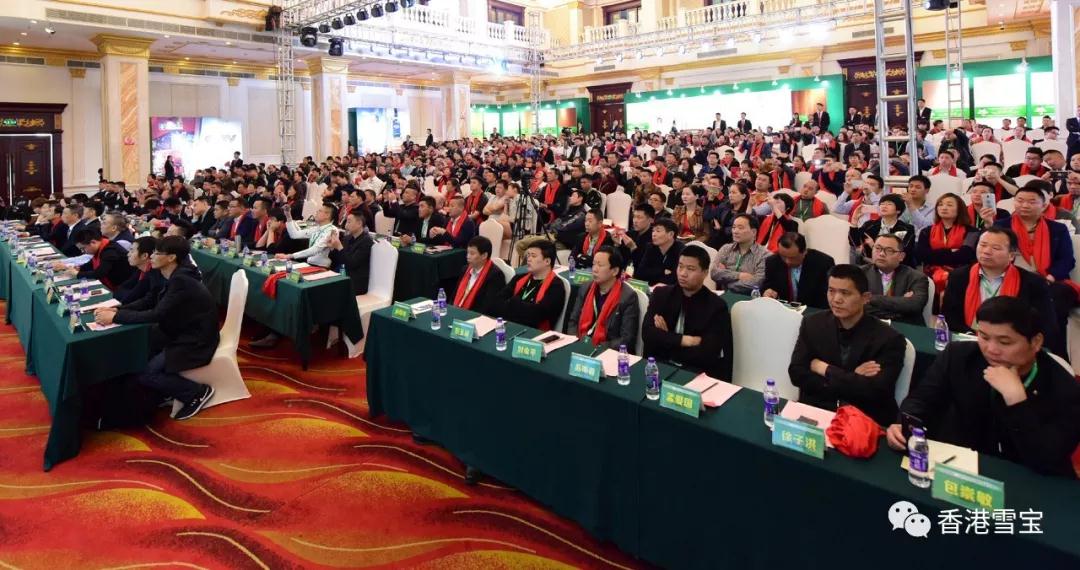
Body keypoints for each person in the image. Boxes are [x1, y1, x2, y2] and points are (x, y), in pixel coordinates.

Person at [886, 296, 1080, 477]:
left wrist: (1017, 401)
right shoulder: (959, 356)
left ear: (1036, 342)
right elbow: (921, 399)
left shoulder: (1064, 388)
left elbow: (1047, 458)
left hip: (1026, 477)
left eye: (1004, 342)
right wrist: (904, 424)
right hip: (962, 463)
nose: (991, 350)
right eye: (984, 337)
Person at [93, 236, 217, 421]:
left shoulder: (182, 280)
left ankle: (196, 392)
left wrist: (116, 317)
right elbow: (150, 300)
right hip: (177, 330)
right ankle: (162, 391)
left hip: (193, 339)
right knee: (138, 351)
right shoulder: (168, 274)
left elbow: (157, 314)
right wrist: (118, 310)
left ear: (171, 257)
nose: (151, 256)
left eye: (157, 253)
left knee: (146, 373)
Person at [789, 264, 906, 426]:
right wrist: (852, 377)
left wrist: (825, 369)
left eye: (845, 293)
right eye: (831, 291)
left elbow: (875, 391)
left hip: (863, 419)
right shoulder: (812, 323)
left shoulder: (889, 339)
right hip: (818, 411)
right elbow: (796, 373)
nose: (836, 299)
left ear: (865, 298)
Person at [993, 185, 1077, 353]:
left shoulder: (1057, 229)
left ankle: (1053, 353)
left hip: (1050, 280)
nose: (1024, 205)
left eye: (1032, 202)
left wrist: (1049, 278)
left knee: (1054, 299)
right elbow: (993, 255)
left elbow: (1067, 260)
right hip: (1012, 278)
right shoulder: (1001, 226)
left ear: (1044, 205)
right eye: (1020, 201)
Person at [940, 227, 1057, 341]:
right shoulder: (959, 276)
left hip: (1012, 346)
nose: (986, 251)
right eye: (983, 245)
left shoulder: (1033, 283)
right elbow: (949, 316)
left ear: (1011, 255)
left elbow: (1045, 324)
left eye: (995, 248)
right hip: (968, 341)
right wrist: (973, 337)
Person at [641, 245, 732, 380]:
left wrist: (666, 338)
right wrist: (684, 340)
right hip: (659, 368)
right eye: (680, 266)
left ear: (705, 273)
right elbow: (647, 334)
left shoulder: (716, 306)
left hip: (695, 374)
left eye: (690, 269)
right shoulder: (661, 294)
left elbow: (708, 353)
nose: (683, 273)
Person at [567, 246, 640, 352]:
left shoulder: (627, 297)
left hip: (606, 351)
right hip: (581, 344)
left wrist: (598, 348)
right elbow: (573, 321)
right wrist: (575, 341)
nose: (594, 269)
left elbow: (626, 339)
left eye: (600, 265)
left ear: (615, 271)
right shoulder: (586, 288)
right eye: (593, 264)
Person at [493, 239, 566, 331]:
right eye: (528, 255)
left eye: (533, 256)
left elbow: (537, 315)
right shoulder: (519, 278)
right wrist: (522, 308)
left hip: (535, 334)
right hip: (510, 326)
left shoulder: (556, 286)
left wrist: (514, 303)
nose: (528, 259)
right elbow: (497, 303)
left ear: (547, 261)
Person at [861, 234, 930, 325]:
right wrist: (901, 304)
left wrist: (871, 298)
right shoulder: (860, 273)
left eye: (889, 250)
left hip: (905, 328)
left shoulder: (917, 277)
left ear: (901, 256)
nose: (881, 254)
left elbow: (915, 305)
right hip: (870, 326)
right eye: (877, 248)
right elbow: (856, 305)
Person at [915, 193, 975, 295]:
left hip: (961, 276)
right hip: (930, 276)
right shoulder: (926, 231)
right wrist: (950, 251)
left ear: (959, 209)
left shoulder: (971, 231)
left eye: (949, 205)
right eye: (940, 204)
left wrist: (935, 254)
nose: (944, 208)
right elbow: (922, 255)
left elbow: (965, 256)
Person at [762, 232, 835, 309]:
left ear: (804, 252)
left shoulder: (823, 263)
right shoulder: (772, 262)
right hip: (783, 310)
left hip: (812, 311)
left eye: (792, 258)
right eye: (783, 256)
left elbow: (827, 296)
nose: (787, 261)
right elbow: (767, 285)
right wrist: (767, 292)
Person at [53, 227, 134, 291]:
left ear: (93, 242)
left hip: (122, 288)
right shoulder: (101, 247)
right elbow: (91, 263)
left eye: (83, 248)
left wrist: (77, 274)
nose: (83, 252)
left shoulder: (109, 251)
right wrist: (79, 268)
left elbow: (99, 273)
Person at [710, 214, 769, 293]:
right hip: (724, 294)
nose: (735, 231)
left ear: (754, 232)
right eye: (734, 227)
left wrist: (726, 279)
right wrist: (739, 275)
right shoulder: (726, 249)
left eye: (740, 228)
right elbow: (714, 273)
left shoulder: (764, 255)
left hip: (750, 297)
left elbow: (757, 283)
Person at [452, 236, 507, 315]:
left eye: (472, 253)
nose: (468, 256)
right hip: (457, 311)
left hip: (475, 316)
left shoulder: (495, 276)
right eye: (468, 252)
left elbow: (488, 307)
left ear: (484, 255)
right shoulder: (465, 269)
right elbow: (453, 296)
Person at [328, 209, 374, 296]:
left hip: (356, 280)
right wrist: (332, 248)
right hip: (343, 274)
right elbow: (338, 260)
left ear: (359, 223)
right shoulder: (347, 238)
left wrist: (339, 247)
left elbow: (351, 264)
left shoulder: (367, 242)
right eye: (346, 221)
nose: (346, 225)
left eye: (349, 222)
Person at [278, 202, 338, 268]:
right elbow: (294, 235)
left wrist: (289, 256)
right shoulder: (316, 228)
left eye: (320, 211)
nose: (316, 212)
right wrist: (288, 215)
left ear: (327, 215)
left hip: (321, 267)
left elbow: (315, 250)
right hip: (310, 264)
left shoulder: (332, 230)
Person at [113, 236, 166, 305]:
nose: (128, 254)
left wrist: (123, 294)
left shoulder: (153, 275)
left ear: (144, 256)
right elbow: (121, 288)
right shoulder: (140, 270)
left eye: (132, 251)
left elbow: (128, 299)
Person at [635, 218, 684, 286]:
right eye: (653, 231)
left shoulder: (681, 250)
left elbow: (675, 278)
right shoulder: (650, 247)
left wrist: (653, 273)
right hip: (650, 287)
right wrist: (662, 271)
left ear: (671, 234)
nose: (653, 234)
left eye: (658, 231)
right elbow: (640, 273)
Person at [615, 203, 655, 269]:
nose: (635, 221)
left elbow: (644, 266)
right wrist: (617, 244)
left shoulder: (654, 239)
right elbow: (618, 259)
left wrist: (633, 247)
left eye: (639, 217)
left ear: (651, 220)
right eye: (634, 217)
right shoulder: (629, 234)